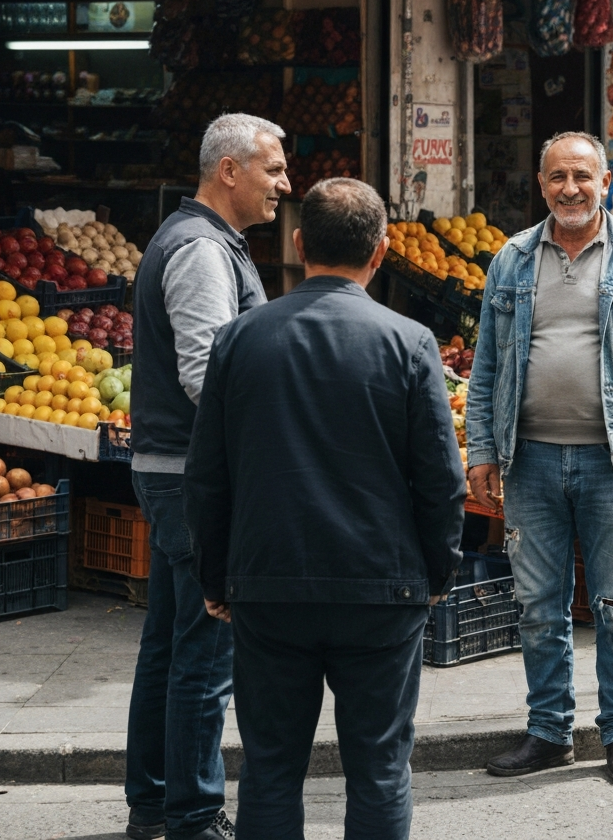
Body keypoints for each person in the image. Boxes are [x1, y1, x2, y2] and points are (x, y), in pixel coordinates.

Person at [184, 178, 465, 840]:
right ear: (381, 251)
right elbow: (440, 482)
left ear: (300, 242)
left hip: (269, 582)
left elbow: (207, 477)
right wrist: (438, 574)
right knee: (379, 768)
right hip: (382, 587)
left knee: (271, 767)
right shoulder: (409, 341)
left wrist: (215, 575)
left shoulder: (239, 340)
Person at [465, 131, 613, 786]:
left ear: (606, 183)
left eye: (583, 177)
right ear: (542, 185)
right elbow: (486, 366)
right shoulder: (510, 260)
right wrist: (482, 449)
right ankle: (549, 732)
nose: (571, 189)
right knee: (539, 604)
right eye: (558, 177)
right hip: (529, 460)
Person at [127, 113, 289, 840]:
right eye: (273, 169)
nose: (285, 183)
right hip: (193, 479)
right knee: (204, 652)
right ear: (230, 171)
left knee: (167, 644)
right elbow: (206, 375)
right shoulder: (198, 249)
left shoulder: (208, 241)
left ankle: (154, 805)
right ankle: (193, 815)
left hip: (173, 472)